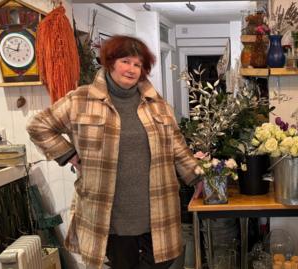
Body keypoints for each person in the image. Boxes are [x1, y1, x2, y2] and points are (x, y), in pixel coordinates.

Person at [27, 35, 202, 269]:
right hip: (110, 215)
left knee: (164, 261)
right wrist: (68, 154)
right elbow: (39, 126)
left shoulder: (157, 104)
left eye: (138, 64)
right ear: (110, 63)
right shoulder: (81, 99)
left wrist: (199, 176)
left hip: (157, 211)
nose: (131, 69)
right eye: (126, 61)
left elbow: (177, 146)